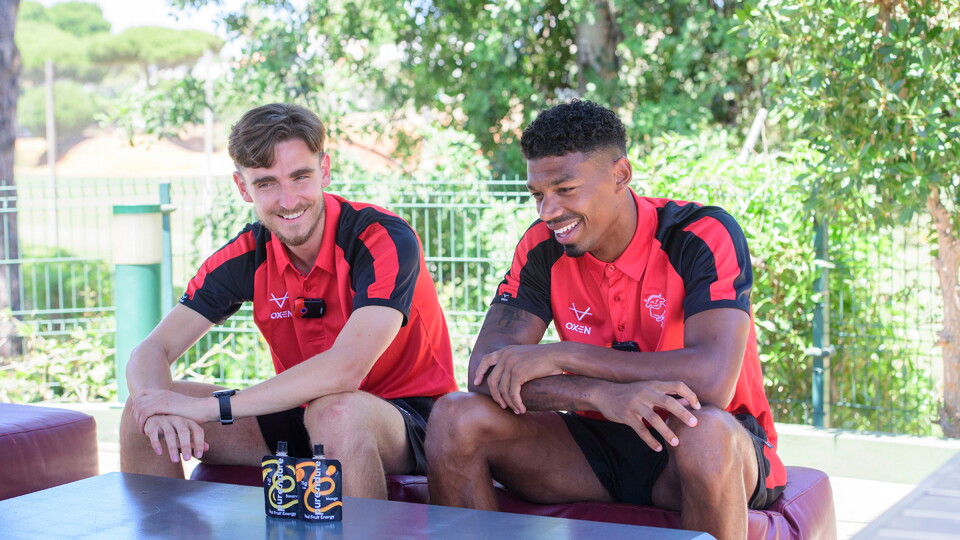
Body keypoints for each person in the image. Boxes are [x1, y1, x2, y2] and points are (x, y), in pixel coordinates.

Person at [424, 99, 786, 539]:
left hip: (704, 445)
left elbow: (712, 381)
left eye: (565, 189)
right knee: (453, 417)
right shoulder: (542, 247)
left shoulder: (701, 234)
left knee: (704, 432)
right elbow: (486, 373)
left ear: (621, 175)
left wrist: (568, 354)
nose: (547, 211)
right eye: (538, 195)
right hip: (594, 447)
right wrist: (600, 395)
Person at [120, 103, 458, 499]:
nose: (288, 199)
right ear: (243, 188)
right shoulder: (247, 255)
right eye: (266, 183)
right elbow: (152, 349)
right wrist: (155, 406)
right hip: (304, 412)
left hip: (408, 421)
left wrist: (212, 408)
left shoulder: (382, 237)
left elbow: (345, 369)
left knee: (336, 412)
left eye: (300, 176)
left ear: (325, 170)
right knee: (139, 415)